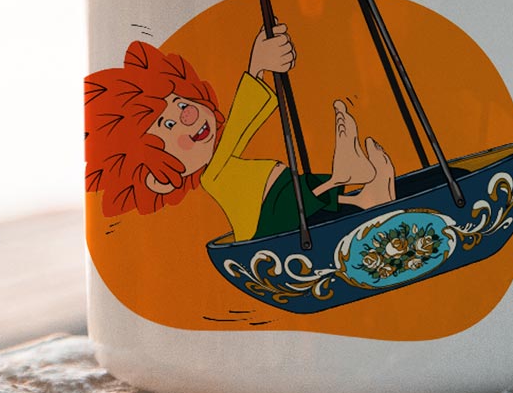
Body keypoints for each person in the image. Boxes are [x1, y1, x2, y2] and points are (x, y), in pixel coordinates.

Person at [84, 24, 395, 241]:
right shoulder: (213, 175)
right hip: (266, 226)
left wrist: (258, 69)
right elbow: (236, 132)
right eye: (167, 125)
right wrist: (256, 68)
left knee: (298, 188)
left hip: (279, 200)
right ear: (156, 177)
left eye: (179, 103)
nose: (187, 115)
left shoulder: (221, 168)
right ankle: (340, 176)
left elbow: (234, 133)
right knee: (292, 198)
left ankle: (364, 196)